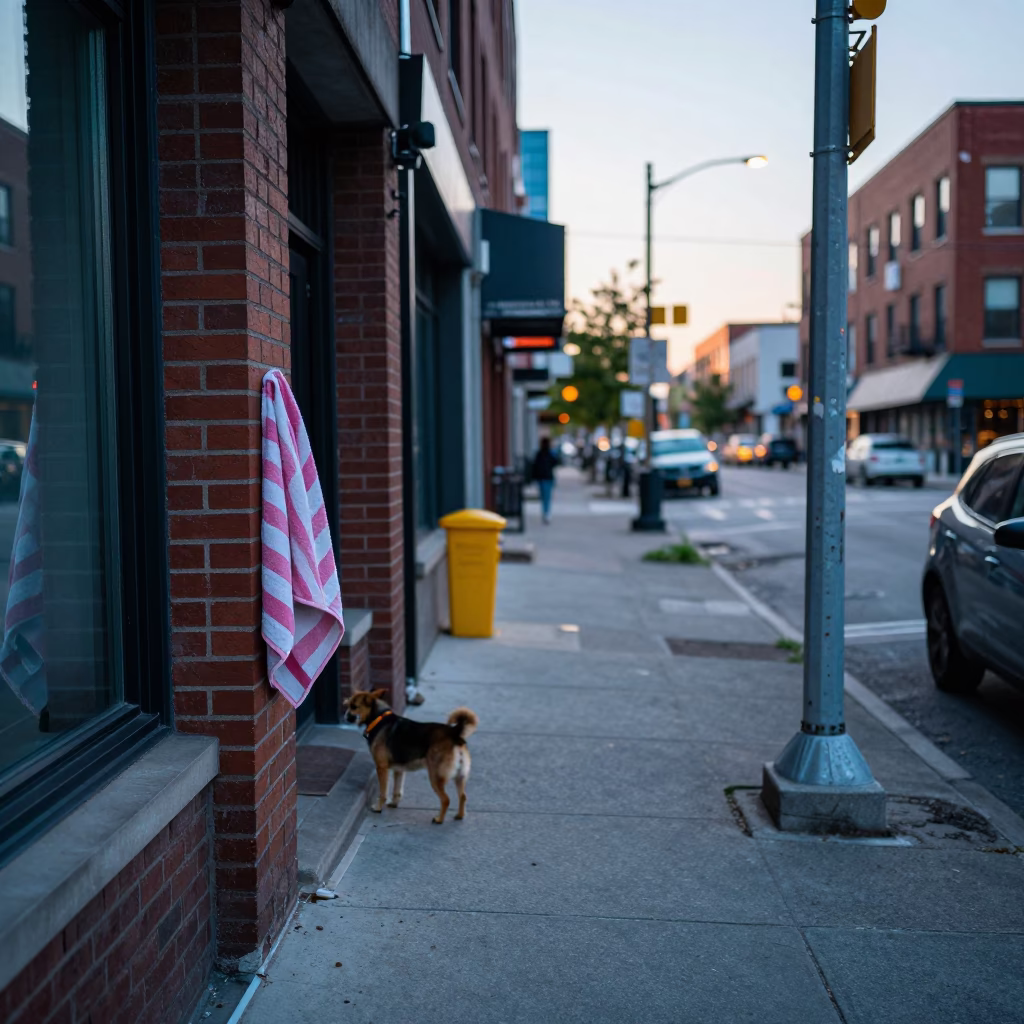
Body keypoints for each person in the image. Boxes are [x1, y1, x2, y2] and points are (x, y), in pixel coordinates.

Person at [532, 436, 558, 524]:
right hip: (547, 478)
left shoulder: (540, 454)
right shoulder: (549, 454)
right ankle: (546, 513)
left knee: (544, 497)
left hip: (543, 478)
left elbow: (535, 466)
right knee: (547, 497)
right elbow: (555, 462)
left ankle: (545, 513)